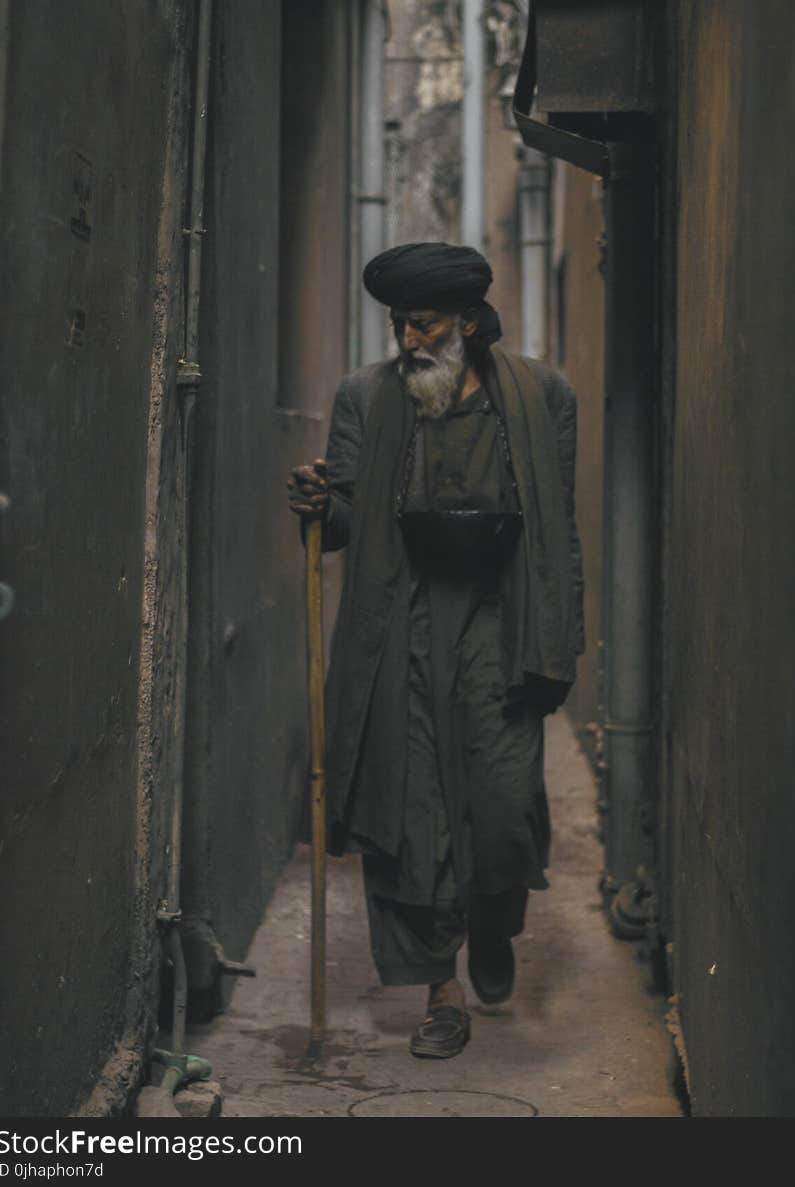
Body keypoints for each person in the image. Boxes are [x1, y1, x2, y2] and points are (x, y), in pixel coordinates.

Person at [288, 242, 584, 1059]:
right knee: (410, 815)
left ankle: (492, 925)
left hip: (500, 621)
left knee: (501, 802)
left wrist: (562, 638)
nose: (408, 340)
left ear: (467, 322)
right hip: (402, 626)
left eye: (422, 325)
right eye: (399, 325)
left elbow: (557, 528)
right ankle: (441, 990)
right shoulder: (365, 399)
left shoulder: (541, 396)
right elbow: (348, 519)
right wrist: (321, 503)